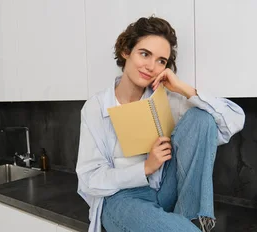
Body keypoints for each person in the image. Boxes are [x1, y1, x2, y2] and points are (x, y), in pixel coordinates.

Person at [76, 16, 245, 232]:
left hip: (166, 190)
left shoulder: (167, 98)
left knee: (201, 118)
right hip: (121, 200)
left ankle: (190, 218)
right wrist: (145, 168)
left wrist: (183, 89)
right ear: (126, 51)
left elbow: (234, 120)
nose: (151, 67)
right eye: (145, 54)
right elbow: (89, 179)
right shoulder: (95, 108)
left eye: (161, 61)